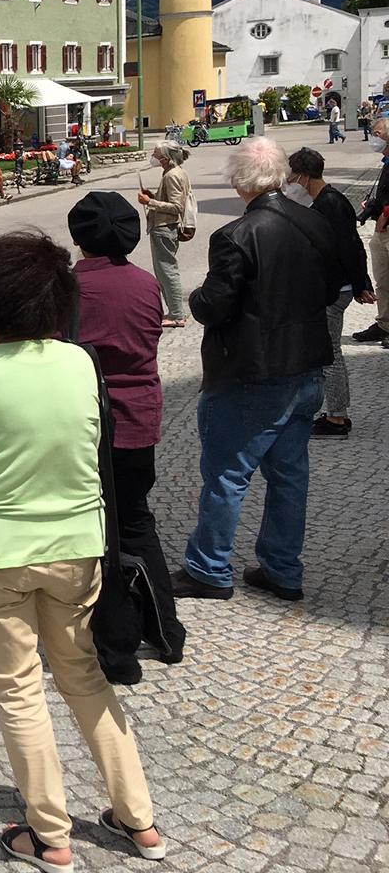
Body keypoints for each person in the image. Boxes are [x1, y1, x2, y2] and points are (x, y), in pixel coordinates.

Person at [0, 231, 164, 870]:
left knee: (18, 686)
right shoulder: (81, 363)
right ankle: (139, 819)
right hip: (78, 545)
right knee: (83, 674)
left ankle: (50, 835)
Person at [176, 138, 340, 603]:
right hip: (306, 367)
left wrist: (192, 299)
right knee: (290, 476)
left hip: (252, 373)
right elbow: (330, 288)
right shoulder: (314, 222)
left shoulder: (235, 236)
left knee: (228, 474)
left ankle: (209, 569)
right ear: (283, 176)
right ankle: (283, 569)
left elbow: (212, 307)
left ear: (238, 180)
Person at [67, 193, 187, 673]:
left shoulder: (70, 288)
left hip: (86, 421)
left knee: (91, 531)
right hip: (138, 416)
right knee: (137, 521)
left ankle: (112, 637)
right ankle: (166, 630)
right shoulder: (144, 283)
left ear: (79, 239)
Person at [284, 148, 373, 436]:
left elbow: (348, 247)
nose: (289, 183)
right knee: (329, 352)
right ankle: (336, 411)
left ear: (304, 176)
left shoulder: (330, 204)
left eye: (292, 177)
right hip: (338, 287)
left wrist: (360, 283)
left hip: (335, 290)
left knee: (330, 353)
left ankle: (337, 417)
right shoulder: (325, 201)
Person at [137, 141, 191, 328]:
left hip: (164, 227)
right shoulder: (173, 172)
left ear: (166, 157)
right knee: (164, 271)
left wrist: (150, 202)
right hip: (163, 226)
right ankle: (175, 311)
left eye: (157, 153)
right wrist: (152, 197)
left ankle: (177, 314)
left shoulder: (172, 175)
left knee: (167, 271)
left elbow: (177, 207)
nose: (154, 156)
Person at [351, 114, 389, 344]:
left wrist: (385, 213)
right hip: (381, 231)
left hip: (386, 226)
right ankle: (385, 324)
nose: (374, 140)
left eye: (378, 135)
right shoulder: (385, 163)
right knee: (383, 282)